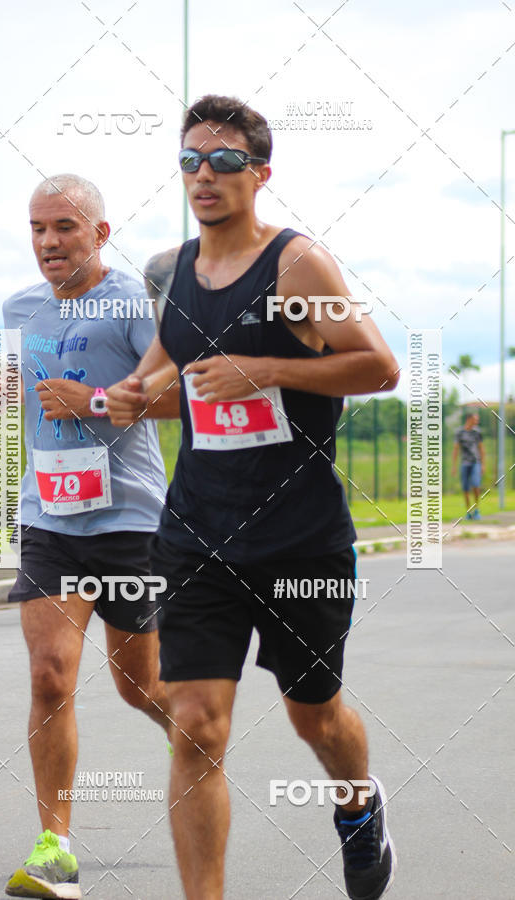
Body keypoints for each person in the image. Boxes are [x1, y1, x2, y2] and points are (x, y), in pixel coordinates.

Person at [106, 95, 399, 900]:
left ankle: (357, 803)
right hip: (197, 535)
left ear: (260, 173)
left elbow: (378, 367)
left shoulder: (299, 265)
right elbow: (163, 376)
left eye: (225, 160)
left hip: (300, 539)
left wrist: (267, 369)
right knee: (196, 725)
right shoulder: (171, 272)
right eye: (191, 160)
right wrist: (128, 396)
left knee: (315, 715)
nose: (205, 174)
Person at [0, 173, 178, 899]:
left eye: (64, 226)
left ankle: (191, 731)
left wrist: (93, 400)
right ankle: (55, 848)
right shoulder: (17, 307)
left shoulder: (132, 303)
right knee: (50, 675)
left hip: (129, 522)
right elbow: (10, 379)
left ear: (100, 232)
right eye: (38, 228)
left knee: (139, 687)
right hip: (49, 519)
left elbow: (178, 394)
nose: (49, 241)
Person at [452, 411, 485, 519]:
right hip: (464, 463)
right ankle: (469, 512)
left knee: (476, 485)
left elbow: (481, 449)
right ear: (469, 419)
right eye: (475, 419)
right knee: (465, 488)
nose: (477, 421)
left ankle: (476, 510)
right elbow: (456, 449)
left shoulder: (477, 432)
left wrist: (483, 464)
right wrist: (454, 466)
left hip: (476, 462)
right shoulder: (459, 432)